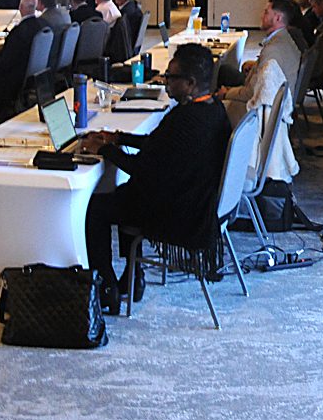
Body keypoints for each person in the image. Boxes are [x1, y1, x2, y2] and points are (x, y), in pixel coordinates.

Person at [82, 44, 232, 314]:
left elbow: (141, 169)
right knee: (127, 194)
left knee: (95, 208)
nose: (165, 83)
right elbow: (159, 146)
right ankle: (132, 277)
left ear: (190, 83)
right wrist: (119, 138)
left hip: (178, 214)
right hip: (197, 201)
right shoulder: (214, 110)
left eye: (171, 78)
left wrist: (103, 150)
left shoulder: (183, 119)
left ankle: (108, 288)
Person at [220, 0, 302, 106]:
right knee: (225, 71)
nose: (262, 16)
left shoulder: (273, 50)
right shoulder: (286, 39)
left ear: (278, 18)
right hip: (273, 98)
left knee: (220, 86)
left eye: (266, 12)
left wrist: (226, 93)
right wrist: (256, 66)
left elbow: (251, 93)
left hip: (259, 110)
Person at [36, 0, 71, 68]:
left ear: (40, 2)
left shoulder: (43, 21)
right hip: (66, 59)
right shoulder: (66, 15)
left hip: (48, 62)